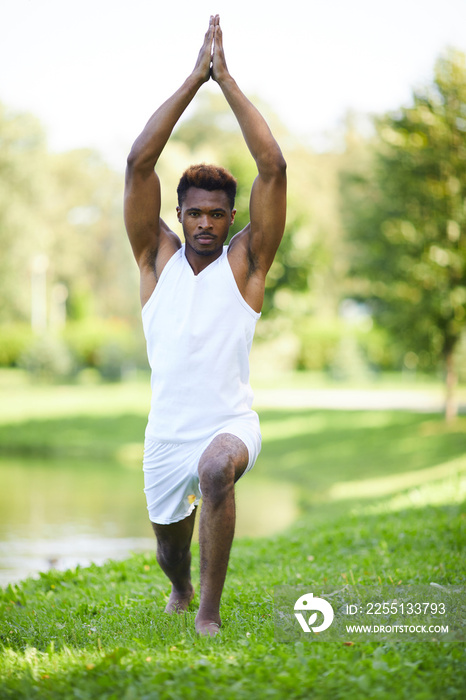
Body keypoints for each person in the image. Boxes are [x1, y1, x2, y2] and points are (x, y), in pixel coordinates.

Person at [124, 15, 286, 636]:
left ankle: (209, 616)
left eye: (218, 215)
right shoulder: (155, 260)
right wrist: (196, 78)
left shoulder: (247, 265)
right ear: (180, 214)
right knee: (169, 551)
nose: (206, 226)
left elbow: (273, 167)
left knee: (217, 470)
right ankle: (183, 585)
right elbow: (140, 163)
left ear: (231, 216)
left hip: (229, 423)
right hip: (166, 434)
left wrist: (229, 81)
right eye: (195, 214)